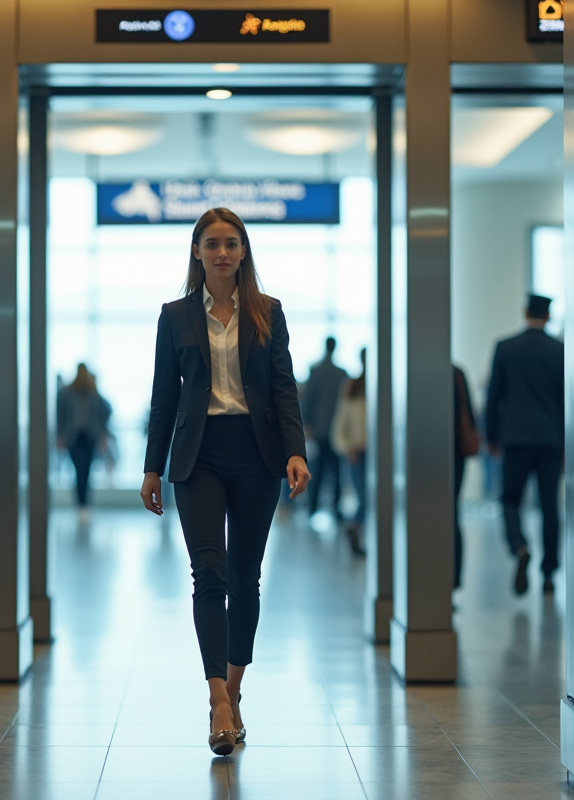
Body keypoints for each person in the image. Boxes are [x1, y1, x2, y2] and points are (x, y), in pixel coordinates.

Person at [140, 207, 311, 756]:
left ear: (243, 252)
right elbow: (164, 396)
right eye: (211, 243)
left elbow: (284, 387)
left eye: (230, 243)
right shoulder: (175, 316)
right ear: (197, 251)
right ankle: (217, 699)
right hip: (199, 456)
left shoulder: (267, 311)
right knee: (208, 572)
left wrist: (295, 452)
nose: (221, 252)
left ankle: (234, 691)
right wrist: (152, 466)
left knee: (245, 577)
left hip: (257, 454)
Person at [485, 294, 565, 595]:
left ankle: (519, 546)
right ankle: (548, 573)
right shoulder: (559, 351)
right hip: (550, 439)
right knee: (549, 507)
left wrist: (492, 436)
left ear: (524, 312)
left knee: (510, 499)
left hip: (515, 438)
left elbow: (495, 395)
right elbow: (565, 400)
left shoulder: (506, 348)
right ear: (548, 316)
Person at [300, 337, 348, 519]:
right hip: (336, 429)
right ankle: (336, 510)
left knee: (317, 471)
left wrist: (307, 425)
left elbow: (307, 400)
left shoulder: (316, 371)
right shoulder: (341, 373)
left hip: (319, 429)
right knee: (336, 472)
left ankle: (312, 508)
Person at [56, 363, 112, 518]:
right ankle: (81, 504)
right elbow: (60, 416)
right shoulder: (66, 393)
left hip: (89, 436)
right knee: (78, 470)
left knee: (85, 470)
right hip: (72, 437)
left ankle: (84, 504)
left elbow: (105, 411)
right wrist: (60, 437)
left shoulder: (93, 393)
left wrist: (102, 434)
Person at [331, 348, 367, 556]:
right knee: (364, 497)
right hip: (357, 455)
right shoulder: (352, 387)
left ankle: (356, 528)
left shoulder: (386, 387)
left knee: (372, 500)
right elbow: (340, 424)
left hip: (380, 455)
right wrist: (348, 449)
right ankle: (354, 528)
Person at [453, 364, 479, 588]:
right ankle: (452, 580)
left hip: (421, 458)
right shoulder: (456, 373)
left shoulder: (410, 371)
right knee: (451, 514)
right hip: (455, 456)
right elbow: (469, 414)